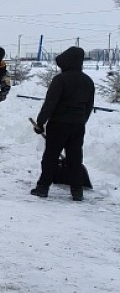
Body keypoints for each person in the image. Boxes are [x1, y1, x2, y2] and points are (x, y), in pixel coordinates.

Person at [31, 46, 95, 201]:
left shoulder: (60, 79)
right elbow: (89, 106)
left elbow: (50, 103)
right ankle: (77, 191)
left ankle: (43, 187)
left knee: (51, 156)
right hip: (78, 125)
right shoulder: (88, 81)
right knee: (75, 157)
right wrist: (81, 121)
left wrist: (40, 122)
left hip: (59, 124)